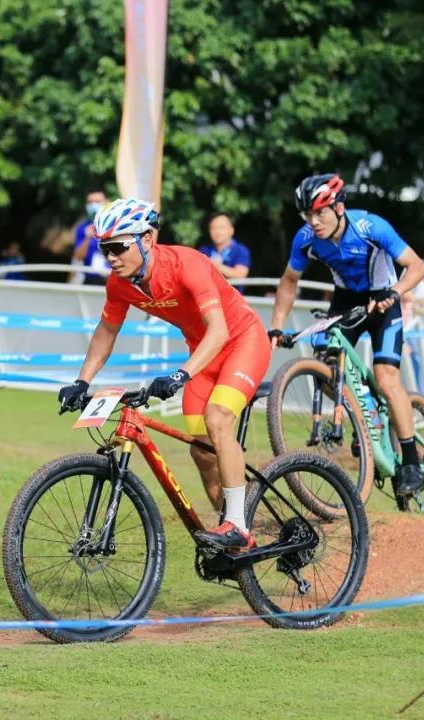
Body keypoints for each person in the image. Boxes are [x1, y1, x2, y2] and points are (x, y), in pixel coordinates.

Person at [57, 198, 272, 552]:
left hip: (242, 343)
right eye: (103, 247)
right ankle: (233, 528)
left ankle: (238, 525)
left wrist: (180, 374)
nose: (109, 256)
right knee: (202, 452)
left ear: (148, 238)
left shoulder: (187, 264)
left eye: (117, 246)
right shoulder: (120, 283)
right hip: (203, 356)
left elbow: (218, 331)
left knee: (217, 420)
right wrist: (82, 381)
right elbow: (106, 332)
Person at [269, 174, 424, 502]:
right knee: (326, 370)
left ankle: (411, 462)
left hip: (384, 301)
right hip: (346, 301)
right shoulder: (306, 239)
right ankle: (365, 414)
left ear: (339, 208)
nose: (314, 222)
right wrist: (276, 326)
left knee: (386, 378)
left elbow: (416, 267)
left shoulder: (371, 228)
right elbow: (288, 281)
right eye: (307, 216)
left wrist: (394, 292)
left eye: (320, 213)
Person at [198, 213, 251, 293]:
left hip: (233, 300)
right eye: (213, 228)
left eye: (221, 228)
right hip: (208, 298)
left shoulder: (240, 250)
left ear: (231, 230)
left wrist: (216, 267)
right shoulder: (204, 250)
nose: (217, 232)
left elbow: (240, 274)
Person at [68, 190, 109, 285]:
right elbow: (78, 257)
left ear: (106, 203)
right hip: (90, 280)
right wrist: (87, 238)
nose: (93, 205)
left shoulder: (116, 225)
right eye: (90, 203)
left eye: (97, 202)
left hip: (112, 280)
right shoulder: (83, 228)